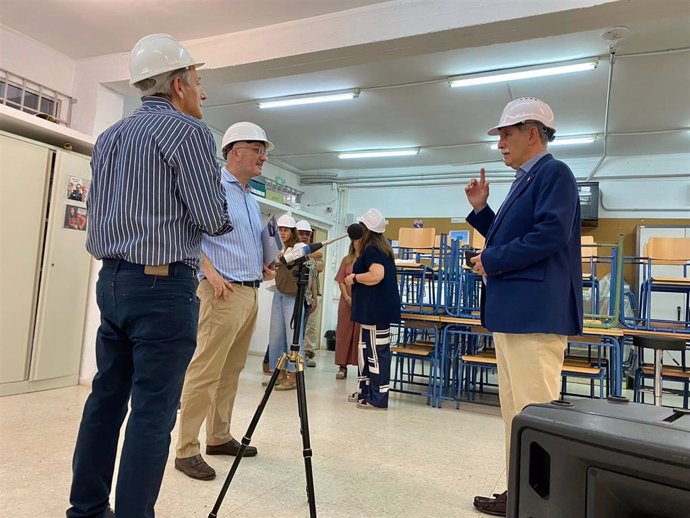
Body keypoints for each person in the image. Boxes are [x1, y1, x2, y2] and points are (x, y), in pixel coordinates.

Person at [67, 34, 232, 518]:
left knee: (105, 401)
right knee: (154, 412)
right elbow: (212, 217)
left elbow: (98, 210)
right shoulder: (190, 135)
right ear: (179, 84)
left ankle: (86, 510)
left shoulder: (111, 137)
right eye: (199, 82)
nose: (203, 93)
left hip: (112, 281)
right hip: (163, 287)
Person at [465, 97, 583, 516]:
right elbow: (513, 234)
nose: (500, 144)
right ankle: (521, 490)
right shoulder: (525, 180)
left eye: (506, 134)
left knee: (536, 412)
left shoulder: (555, 173)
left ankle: (543, 500)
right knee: (517, 414)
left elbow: (549, 234)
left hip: (535, 312)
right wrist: (482, 211)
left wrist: (491, 260)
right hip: (514, 312)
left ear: (532, 134)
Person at [174, 122, 276, 481]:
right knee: (206, 370)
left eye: (265, 149)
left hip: (248, 291)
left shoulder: (249, 197)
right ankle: (186, 449)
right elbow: (186, 229)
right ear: (236, 151)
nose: (264, 156)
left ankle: (218, 437)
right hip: (222, 291)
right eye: (258, 148)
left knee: (231, 371)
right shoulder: (213, 186)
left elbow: (241, 242)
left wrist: (261, 266)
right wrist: (208, 272)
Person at [344, 208, 401, 410]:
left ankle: (378, 396)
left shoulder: (372, 250)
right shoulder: (377, 248)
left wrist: (354, 278)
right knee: (368, 351)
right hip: (373, 311)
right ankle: (367, 391)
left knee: (376, 352)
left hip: (376, 311)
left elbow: (377, 275)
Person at [267, 214, 303, 390]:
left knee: (292, 338)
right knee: (275, 337)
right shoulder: (276, 248)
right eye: (280, 229)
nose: (282, 232)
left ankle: (294, 376)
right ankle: (278, 374)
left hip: (293, 297)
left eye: (285, 229)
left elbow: (313, 258)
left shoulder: (299, 247)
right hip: (278, 293)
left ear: (292, 231)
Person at [334, 239, 362, 379]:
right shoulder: (347, 260)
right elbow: (341, 280)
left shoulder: (367, 261)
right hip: (346, 302)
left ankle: (361, 367)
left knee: (360, 333)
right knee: (344, 331)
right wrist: (346, 298)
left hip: (362, 302)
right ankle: (342, 366)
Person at [296, 219, 322, 368]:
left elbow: (318, 269)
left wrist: (314, 297)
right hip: (292, 296)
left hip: (309, 297)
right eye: (301, 233)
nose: (304, 236)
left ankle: (306, 355)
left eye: (307, 234)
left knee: (308, 327)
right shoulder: (290, 250)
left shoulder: (313, 252)